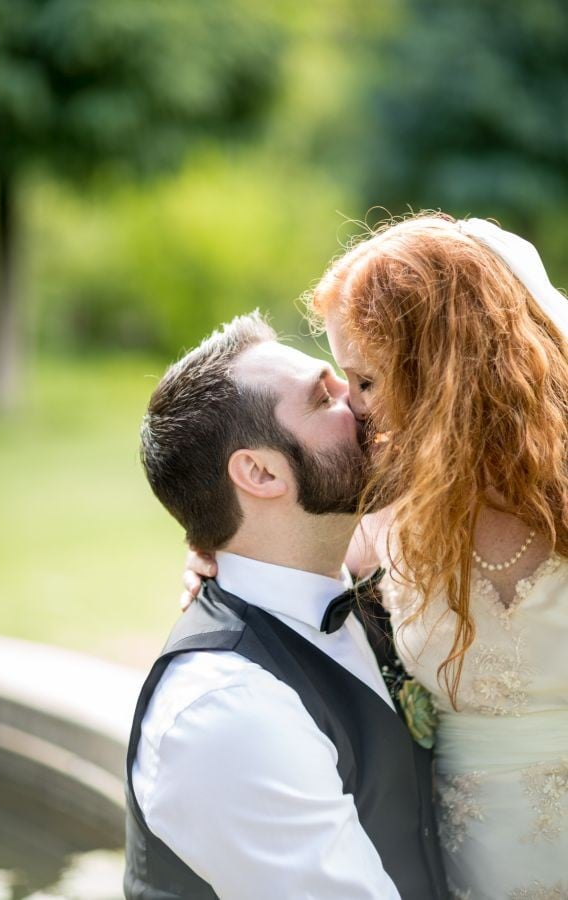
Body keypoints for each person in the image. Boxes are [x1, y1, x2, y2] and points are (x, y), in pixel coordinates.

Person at [185, 216, 568, 899]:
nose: (354, 410)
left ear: (441, 370)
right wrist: (215, 563)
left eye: (365, 381)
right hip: (467, 863)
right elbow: (287, 564)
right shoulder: (384, 509)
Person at [124, 313, 449, 899]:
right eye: (327, 396)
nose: (364, 402)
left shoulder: (367, 585)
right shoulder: (226, 711)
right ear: (260, 471)